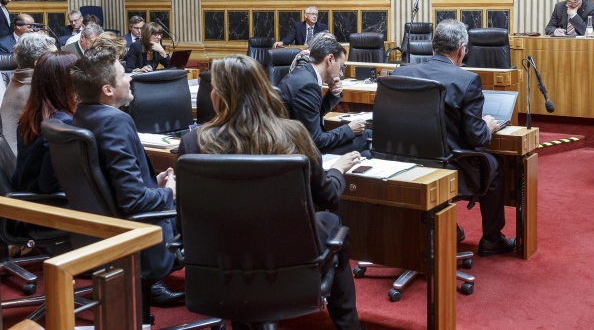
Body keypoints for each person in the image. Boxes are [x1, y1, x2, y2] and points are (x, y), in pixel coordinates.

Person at [178, 54, 363, 330]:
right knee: (332, 223)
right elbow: (328, 196)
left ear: (218, 96)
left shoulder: (193, 142)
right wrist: (338, 169)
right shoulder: (293, 134)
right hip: (289, 257)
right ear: (264, 91)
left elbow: (186, 220)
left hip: (221, 260)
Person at [392, 19, 515, 257]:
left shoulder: (402, 72)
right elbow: (478, 139)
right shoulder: (467, 80)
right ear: (461, 49)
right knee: (494, 164)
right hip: (448, 168)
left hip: (405, 165)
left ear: (433, 47)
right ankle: (491, 239)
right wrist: (487, 126)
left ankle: (441, 228)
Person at [70, 47, 183, 305]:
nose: (130, 78)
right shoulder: (115, 122)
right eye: (123, 75)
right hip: (140, 234)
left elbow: (109, 187)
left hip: (105, 230)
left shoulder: (82, 114)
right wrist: (169, 193)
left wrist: (154, 183)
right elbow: (133, 202)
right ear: (107, 90)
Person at [279, 33, 371, 156]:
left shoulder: (304, 74)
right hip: (301, 152)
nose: (341, 73)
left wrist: (332, 94)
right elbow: (316, 140)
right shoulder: (307, 85)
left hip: (299, 145)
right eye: (341, 66)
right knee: (368, 136)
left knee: (365, 151)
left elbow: (312, 115)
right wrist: (349, 129)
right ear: (330, 59)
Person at [12, 51, 79, 193]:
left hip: (26, 192)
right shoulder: (62, 124)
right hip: (44, 205)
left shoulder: (32, 113)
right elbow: (50, 185)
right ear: (69, 82)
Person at [0, 34, 56, 161]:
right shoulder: (34, 88)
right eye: (53, 57)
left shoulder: (19, 76)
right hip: (22, 163)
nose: (57, 60)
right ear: (38, 63)